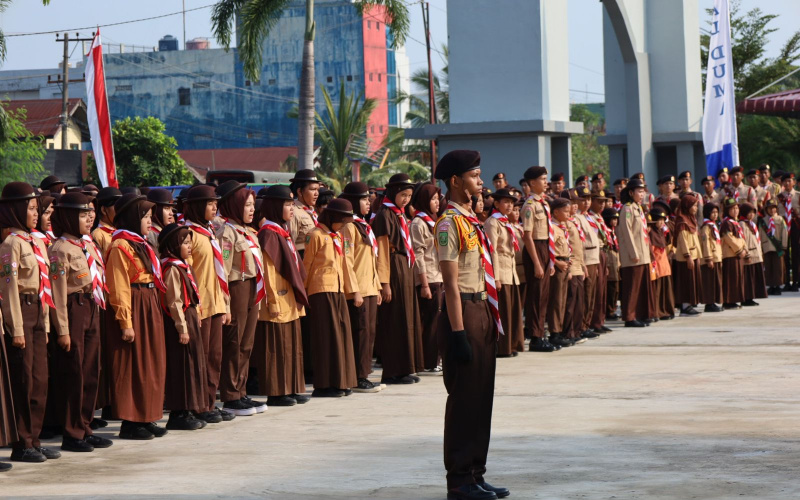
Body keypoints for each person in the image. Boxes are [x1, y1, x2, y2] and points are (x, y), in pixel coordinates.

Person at [433, 150, 508, 500]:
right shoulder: (449, 223)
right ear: (455, 181)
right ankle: (459, 480)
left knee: (482, 398)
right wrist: (459, 333)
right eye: (476, 176)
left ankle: (476, 473)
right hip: (461, 311)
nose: (481, 181)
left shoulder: (470, 220)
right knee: (464, 400)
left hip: (481, 309)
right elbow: (450, 284)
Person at [48, 193, 114, 452]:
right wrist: (62, 329)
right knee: (74, 372)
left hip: (91, 305)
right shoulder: (59, 250)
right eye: (82, 213)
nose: (89, 218)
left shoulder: (86, 245)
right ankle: (72, 433)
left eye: (90, 212)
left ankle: (85, 426)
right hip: (73, 309)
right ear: (67, 216)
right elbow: (57, 294)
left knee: (90, 371)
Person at [0, 182, 59, 463]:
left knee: (39, 379)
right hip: (21, 311)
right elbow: (9, 286)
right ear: (16, 209)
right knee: (23, 380)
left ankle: (35, 439)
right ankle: (23, 443)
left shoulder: (36, 241)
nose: (37, 214)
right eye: (32, 208)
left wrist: (45, 325)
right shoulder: (10, 244)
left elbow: (45, 284)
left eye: (37, 208)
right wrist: (17, 328)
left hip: (37, 309)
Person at [105, 193, 168, 440]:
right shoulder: (120, 245)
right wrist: (125, 322)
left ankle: (148, 415)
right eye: (145, 216)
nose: (149, 222)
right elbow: (119, 287)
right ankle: (131, 422)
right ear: (132, 217)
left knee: (152, 362)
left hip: (149, 301)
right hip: (135, 304)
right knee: (134, 365)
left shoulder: (140, 242)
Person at [214, 181, 267, 416]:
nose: (252, 210)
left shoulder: (248, 231)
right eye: (247, 205)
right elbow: (223, 271)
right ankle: (231, 395)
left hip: (252, 288)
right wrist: (225, 303)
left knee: (247, 342)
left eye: (253, 205)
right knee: (234, 342)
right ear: (235, 206)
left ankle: (241, 390)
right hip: (237, 289)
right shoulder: (226, 232)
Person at [255, 185, 310, 406]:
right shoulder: (268, 234)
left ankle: (292, 387)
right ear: (276, 207)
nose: (291, 209)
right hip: (277, 298)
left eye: (291, 204)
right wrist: (273, 300)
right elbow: (267, 271)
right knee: (276, 348)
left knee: (292, 346)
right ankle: (277, 392)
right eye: (287, 205)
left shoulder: (282, 231)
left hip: (290, 299)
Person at [183, 185, 233, 424]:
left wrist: (226, 305)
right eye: (210, 203)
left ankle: (210, 402)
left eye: (215, 202)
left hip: (216, 304)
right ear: (196, 206)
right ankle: (198, 405)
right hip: (200, 305)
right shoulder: (188, 235)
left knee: (214, 357)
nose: (215, 207)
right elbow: (188, 274)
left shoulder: (209, 232)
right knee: (199, 358)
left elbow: (218, 272)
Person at [303, 198, 359, 397]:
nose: (344, 226)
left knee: (341, 336)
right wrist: (304, 292)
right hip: (320, 291)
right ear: (332, 216)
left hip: (338, 290)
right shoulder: (315, 235)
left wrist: (353, 291)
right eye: (341, 221)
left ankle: (341, 381)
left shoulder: (337, 237)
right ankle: (325, 385)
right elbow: (307, 266)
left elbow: (345, 265)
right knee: (326, 338)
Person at [372, 173, 423, 384]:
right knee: (394, 321)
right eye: (403, 194)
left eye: (409, 195)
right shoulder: (384, 215)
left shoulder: (401, 214)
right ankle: (392, 371)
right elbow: (382, 251)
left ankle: (406, 367)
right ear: (393, 193)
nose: (406, 199)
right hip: (393, 268)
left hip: (406, 267)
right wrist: (385, 283)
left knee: (407, 319)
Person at [157, 223, 208, 431]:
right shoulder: (171, 268)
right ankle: (178, 412)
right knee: (181, 366)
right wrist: (182, 327)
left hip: (190, 318)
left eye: (189, 242)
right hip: (180, 322)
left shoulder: (182, 265)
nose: (189, 247)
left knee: (192, 364)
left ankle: (189, 409)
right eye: (185, 243)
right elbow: (174, 301)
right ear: (174, 245)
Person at [339, 182, 384, 390]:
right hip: (358, 290)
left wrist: (377, 287)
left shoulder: (363, 225)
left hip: (370, 288)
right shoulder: (349, 226)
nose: (369, 202)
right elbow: (347, 260)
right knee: (361, 332)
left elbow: (372, 259)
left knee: (370, 332)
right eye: (365, 199)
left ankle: (364, 373)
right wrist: (354, 290)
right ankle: (357, 376)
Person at [409, 183, 446, 370]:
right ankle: (428, 362)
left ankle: (435, 359)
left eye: (437, 198)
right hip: (428, 278)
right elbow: (418, 255)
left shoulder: (434, 221)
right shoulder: (418, 223)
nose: (437, 202)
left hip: (438, 276)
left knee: (437, 322)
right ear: (424, 201)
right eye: (432, 199)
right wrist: (424, 284)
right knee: (429, 322)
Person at [484, 188, 524, 356]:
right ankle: (502, 348)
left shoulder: (506, 221)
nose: (509, 205)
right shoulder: (493, 222)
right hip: (501, 271)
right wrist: (496, 278)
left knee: (513, 311)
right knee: (504, 312)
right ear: (496, 203)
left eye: (512, 202)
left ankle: (513, 344)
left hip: (512, 271)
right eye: (506, 202)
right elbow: (492, 250)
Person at [521, 166, 556, 352]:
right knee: (536, 296)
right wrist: (537, 263)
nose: (546, 182)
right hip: (535, 248)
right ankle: (535, 337)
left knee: (544, 296)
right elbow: (527, 236)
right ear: (532, 182)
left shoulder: (544, 203)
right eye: (542, 179)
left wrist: (550, 260)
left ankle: (540, 333)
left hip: (545, 247)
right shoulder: (529, 205)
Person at [616, 179, 654, 327]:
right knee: (632, 287)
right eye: (639, 191)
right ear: (631, 193)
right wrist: (633, 253)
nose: (642, 193)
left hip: (643, 254)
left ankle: (642, 314)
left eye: (643, 190)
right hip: (634, 255)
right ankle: (630, 317)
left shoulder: (639, 208)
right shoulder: (627, 209)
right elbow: (626, 232)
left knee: (642, 286)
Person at [575, 187, 600, 337]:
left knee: (591, 295)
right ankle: (582, 325)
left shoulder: (589, 217)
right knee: (586, 294)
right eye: (583, 199)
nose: (586, 202)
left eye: (589, 199)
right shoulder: (577, 217)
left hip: (594, 258)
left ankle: (587, 323)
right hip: (586, 258)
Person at [672, 194, 702, 316]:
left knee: (691, 281)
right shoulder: (682, 220)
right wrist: (688, 256)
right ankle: (685, 306)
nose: (696, 208)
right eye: (694, 205)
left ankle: (689, 304)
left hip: (694, 255)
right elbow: (683, 240)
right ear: (687, 206)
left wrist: (697, 256)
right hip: (686, 257)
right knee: (685, 281)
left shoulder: (691, 219)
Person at [588, 190, 612, 333]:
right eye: (599, 201)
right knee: (596, 290)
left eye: (604, 201)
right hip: (595, 254)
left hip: (603, 253)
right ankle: (594, 322)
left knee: (602, 289)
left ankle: (600, 320)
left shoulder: (599, 217)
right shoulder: (590, 218)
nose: (602, 204)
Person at [720, 198, 748, 309]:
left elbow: (742, 237)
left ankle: (734, 300)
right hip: (730, 255)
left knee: (737, 278)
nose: (735, 211)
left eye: (737, 208)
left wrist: (745, 249)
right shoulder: (726, 223)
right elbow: (729, 238)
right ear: (727, 210)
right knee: (730, 279)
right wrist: (740, 250)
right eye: (732, 208)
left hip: (737, 255)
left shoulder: (736, 222)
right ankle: (728, 301)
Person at [648, 207, 674, 321]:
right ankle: (656, 312)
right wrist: (655, 268)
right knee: (657, 292)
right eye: (659, 220)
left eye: (663, 220)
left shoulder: (661, 233)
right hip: (657, 266)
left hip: (665, 266)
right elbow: (652, 252)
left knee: (665, 292)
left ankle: (665, 311)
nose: (662, 222)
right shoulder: (651, 234)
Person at [739, 203, 767, 306]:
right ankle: (746, 298)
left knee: (754, 278)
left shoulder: (752, 224)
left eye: (753, 213)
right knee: (748, 279)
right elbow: (743, 240)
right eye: (749, 213)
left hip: (756, 254)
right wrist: (746, 254)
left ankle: (751, 298)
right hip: (749, 255)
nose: (751, 215)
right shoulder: (742, 224)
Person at [699, 203, 724, 312]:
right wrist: (708, 258)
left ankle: (714, 301)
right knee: (709, 282)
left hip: (716, 257)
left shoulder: (713, 225)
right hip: (710, 258)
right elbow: (706, 244)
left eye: (716, 212)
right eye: (712, 212)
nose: (715, 215)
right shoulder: (706, 227)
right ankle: (709, 303)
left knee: (715, 281)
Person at [92, 187, 123, 257]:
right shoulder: (97, 235)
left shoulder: (120, 230)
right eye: (116, 207)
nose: (120, 211)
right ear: (103, 210)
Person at [602, 208, 621, 319]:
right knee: (610, 288)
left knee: (616, 288)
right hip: (609, 261)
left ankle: (613, 308)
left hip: (615, 261)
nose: (615, 221)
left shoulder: (613, 231)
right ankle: (609, 310)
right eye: (613, 219)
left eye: (616, 219)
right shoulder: (605, 231)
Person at [145, 188, 176, 255]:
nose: (171, 213)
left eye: (172, 209)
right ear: (155, 210)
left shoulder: (164, 230)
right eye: (166, 208)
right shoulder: (150, 233)